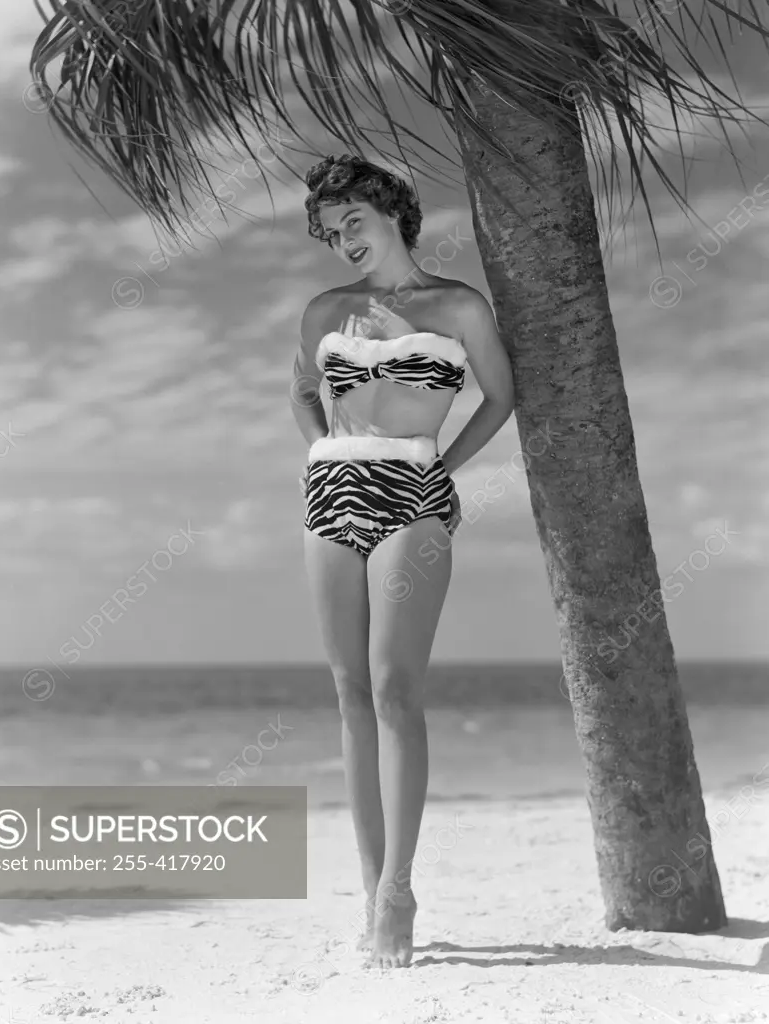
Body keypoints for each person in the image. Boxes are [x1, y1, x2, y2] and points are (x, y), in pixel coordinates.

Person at [289, 154, 515, 970]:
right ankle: (368, 882)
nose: (343, 240)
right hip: (329, 496)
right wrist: (326, 452)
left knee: (394, 689)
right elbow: (300, 393)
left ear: (393, 215)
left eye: (355, 222)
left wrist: (441, 468)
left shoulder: (455, 306)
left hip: (413, 494)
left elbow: (501, 394)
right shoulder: (324, 311)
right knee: (350, 694)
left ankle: (399, 893)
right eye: (330, 231)